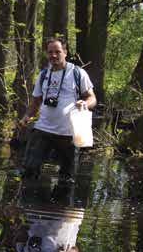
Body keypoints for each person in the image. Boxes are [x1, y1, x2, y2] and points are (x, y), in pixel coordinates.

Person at [21, 37, 96, 182]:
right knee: (29, 171)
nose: (53, 55)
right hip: (43, 130)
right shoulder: (43, 75)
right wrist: (27, 116)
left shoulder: (77, 73)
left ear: (65, 52)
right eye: (50, 52)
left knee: (67, 178)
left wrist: (85, 103)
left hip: (68, 134)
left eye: (57, 52)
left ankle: (61, 205)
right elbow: (36, 101)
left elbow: (92, 98)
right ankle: (28, 203)